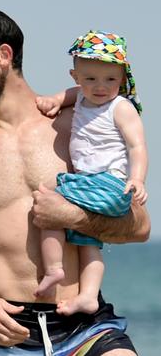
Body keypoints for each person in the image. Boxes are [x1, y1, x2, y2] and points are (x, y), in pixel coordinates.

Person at [0, 5, 150, 356]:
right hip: (0, 333)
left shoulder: (76, 125)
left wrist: (72, 218)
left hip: (85, 327)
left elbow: (139, 226)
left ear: (3, 56)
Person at [33, 30, 148, 317]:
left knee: (50, 205)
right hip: (90, 184)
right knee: (88, 244)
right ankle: (88, 297)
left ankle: (54, 269)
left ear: (122, 78)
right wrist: (55, 100)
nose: (100, 87)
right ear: (76, 77)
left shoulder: (120, 107)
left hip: (108, 182)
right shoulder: (81, 98)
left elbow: (137, 146)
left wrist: (137, 179)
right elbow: (67, 95)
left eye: (110, 79)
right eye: (91, 79)